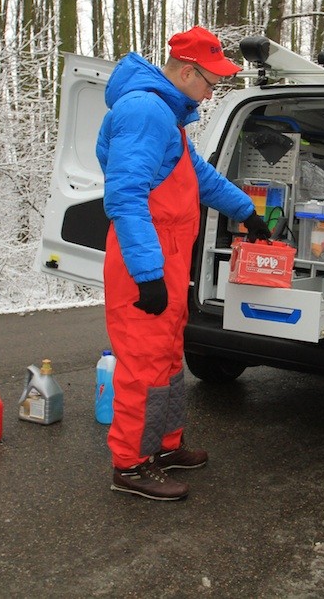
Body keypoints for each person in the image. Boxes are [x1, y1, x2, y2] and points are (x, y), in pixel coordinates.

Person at [96, 26, 271, 501]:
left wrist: (247, 213)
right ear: (188, 70)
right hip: (145, 258)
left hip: (168, 256)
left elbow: (201, 177)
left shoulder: (167, 117)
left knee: (169, 355)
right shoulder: (145, 111)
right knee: (143, 364)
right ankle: (130, 464)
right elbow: (126, 197)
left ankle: (164, 447)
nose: (213, 92)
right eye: (211, 82)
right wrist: (148, 274)